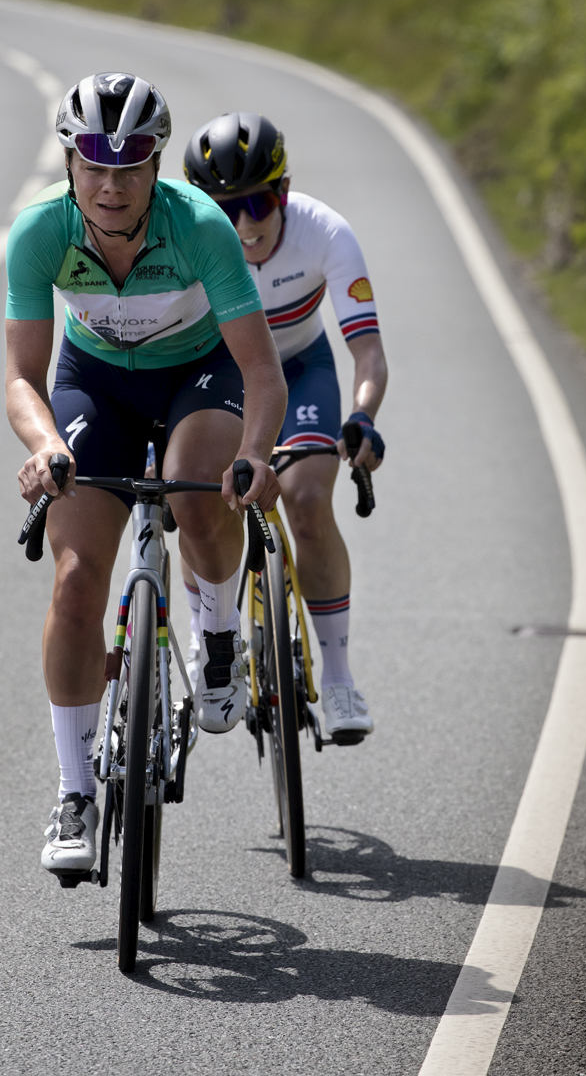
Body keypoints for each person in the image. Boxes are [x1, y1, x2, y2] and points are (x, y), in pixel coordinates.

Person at [6, 74, 287, 875]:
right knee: (74, 578)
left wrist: (256, 456)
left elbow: (262, 374)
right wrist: (45, 444)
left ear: (157, 162)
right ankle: (73, 793)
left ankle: (222, 631)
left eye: (131, 164)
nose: (112, 182)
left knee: (202, 497)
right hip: (96, 384)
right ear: (70, 161)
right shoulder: (40, 234)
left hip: (200, 376)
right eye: (94, 161)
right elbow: (21, 378)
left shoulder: (199, 225)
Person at [182, 112, 387, 741]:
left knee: (304, 499)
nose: (245, 224)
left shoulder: (326, 232)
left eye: (259, 202)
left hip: (300, 367)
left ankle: (342, 676)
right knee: (196, 495)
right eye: (226, 209)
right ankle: (208, 637)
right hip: (220, 374)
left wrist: (362, 415)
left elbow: (368, 353)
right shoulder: (185, 245)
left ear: (285, 192)